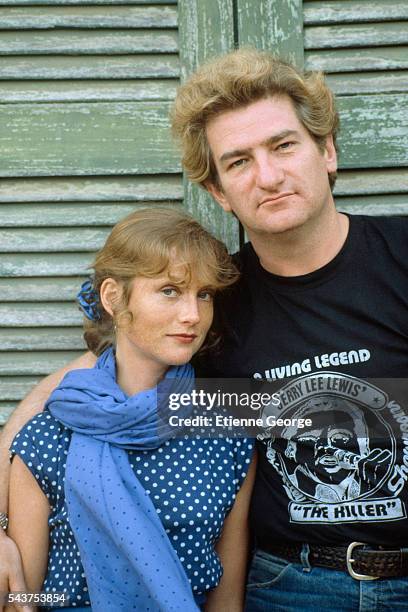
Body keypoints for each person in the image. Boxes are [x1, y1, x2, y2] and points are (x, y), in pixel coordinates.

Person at [1, 47, 408, 610]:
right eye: (238, 161)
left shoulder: (401, 254)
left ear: (328, 150)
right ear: (218, 191)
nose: (268, 175)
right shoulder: (212, 302)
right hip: (287, 586)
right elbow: (77, 391)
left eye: (284, 145)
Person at [5, 208, 255, 612]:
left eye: (203, 294)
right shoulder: (45, 440)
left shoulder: (225, 432)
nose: (192, 314)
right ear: (113, 298)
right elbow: (24, 596)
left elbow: (226, 598)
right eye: (170, 291)